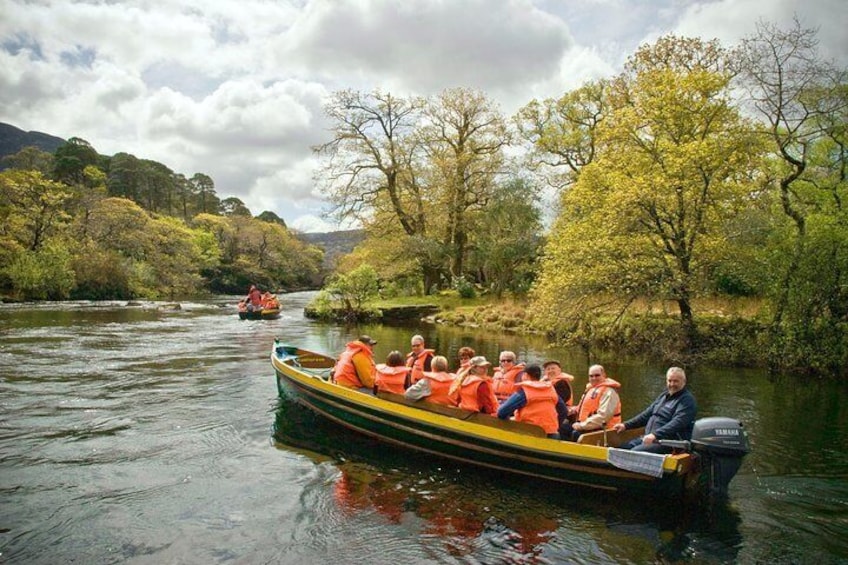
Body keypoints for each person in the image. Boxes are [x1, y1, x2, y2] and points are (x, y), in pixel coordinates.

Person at [613, 367, 697, 454]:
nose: (672, 384)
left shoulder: (687, 401)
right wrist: (625, 425)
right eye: (669, 381)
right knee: (621, 449)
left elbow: (678, 423)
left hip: (668, 443)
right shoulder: (664, 396)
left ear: (684, 382)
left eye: (676, 381)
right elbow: (646, 415)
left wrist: (655, 435)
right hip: (649, 438)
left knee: (635, 453)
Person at [497, 364, 568, 439]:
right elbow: (563, 411)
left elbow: (501, 412)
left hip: (529, 433)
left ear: (525, 375)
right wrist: (555, 427)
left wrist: (509, 421)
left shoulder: (524, 392)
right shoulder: (551, 390)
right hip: (552, 435)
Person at [562, 364, 622, 441]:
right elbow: (584, 408)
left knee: (574, 433)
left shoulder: (609, 391)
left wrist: (581, 426)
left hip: (604, 430)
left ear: (604, 375)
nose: (594, 378)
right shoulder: (591, 389)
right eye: (591, 376)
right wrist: (572, 410)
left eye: (597, 375)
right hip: (587, 426)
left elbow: (603, 417)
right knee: (559, 427)